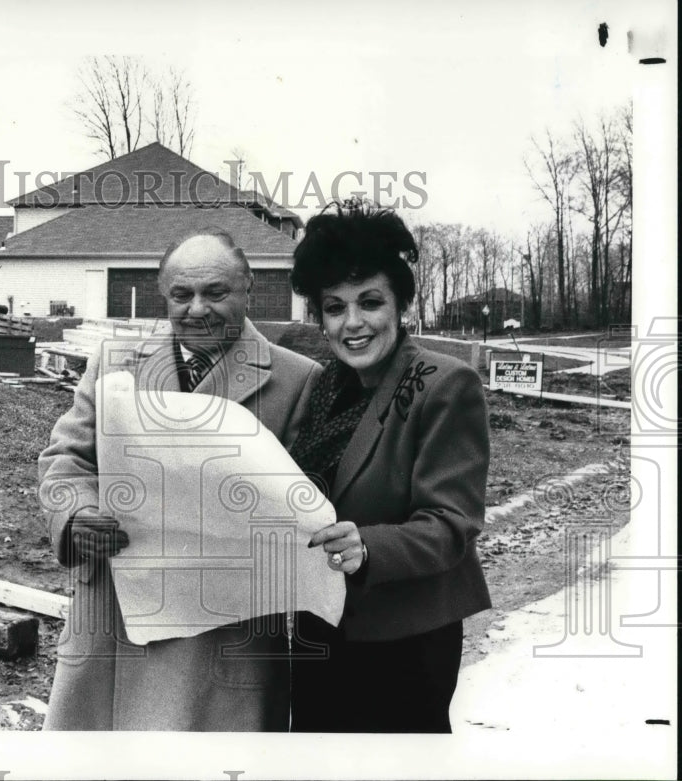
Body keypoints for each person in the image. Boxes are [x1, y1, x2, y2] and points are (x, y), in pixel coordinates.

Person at [38, 227, 323, 730]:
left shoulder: (297, 379)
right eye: (181, 295)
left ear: (248, 288)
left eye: (216, 293)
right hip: (114, 618)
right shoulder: (114, 361)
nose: (198, 309)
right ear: (163, 295)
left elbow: (309, 499)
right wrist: (76, 513)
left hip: (221, 630)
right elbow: (66, 459)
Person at [287, 201, 491, 733]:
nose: (352, 324)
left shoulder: (443, 384)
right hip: (319, 625)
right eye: (334, 307)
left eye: (370, 302)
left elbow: (452, 525)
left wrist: (368, 548)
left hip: (405, 638)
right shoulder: (323, 385)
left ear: (400, 304)